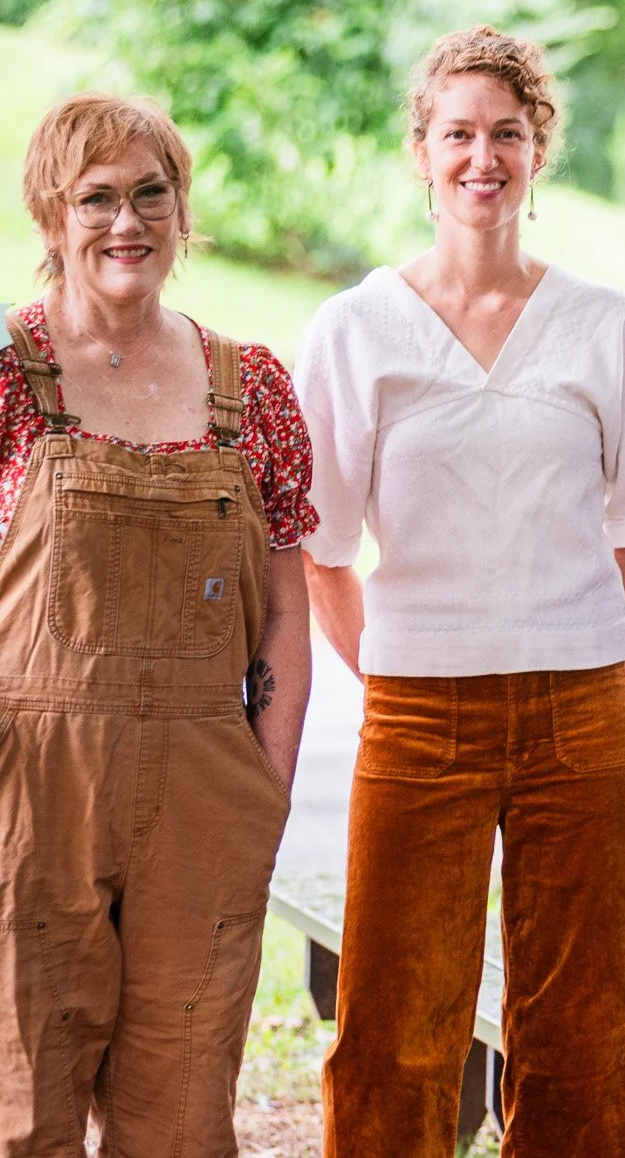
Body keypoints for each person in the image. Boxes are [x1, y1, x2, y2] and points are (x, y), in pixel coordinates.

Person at [299, 25, 625, 1157]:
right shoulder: (357, 327)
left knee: (583, 1015)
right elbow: (324, 548)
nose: (483, 157)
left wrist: (543, 613)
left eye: (506, 134)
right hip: (418, 705)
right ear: (420, 151)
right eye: (458, 134)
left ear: (539, 151)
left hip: (581, 704)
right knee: (396, 1013)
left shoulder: (603, 324)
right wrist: (399, 663)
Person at [0, 93, 317, 1154]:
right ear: (52, 216)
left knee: (181, 1111)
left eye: (152, 193)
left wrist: (258, 800)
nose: (127, 220)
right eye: (97, 197)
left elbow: (283, 616)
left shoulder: (254, 387)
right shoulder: (7, 375)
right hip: (32, 790)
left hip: (205, 795)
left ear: (183, 212)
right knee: (19, 1099)